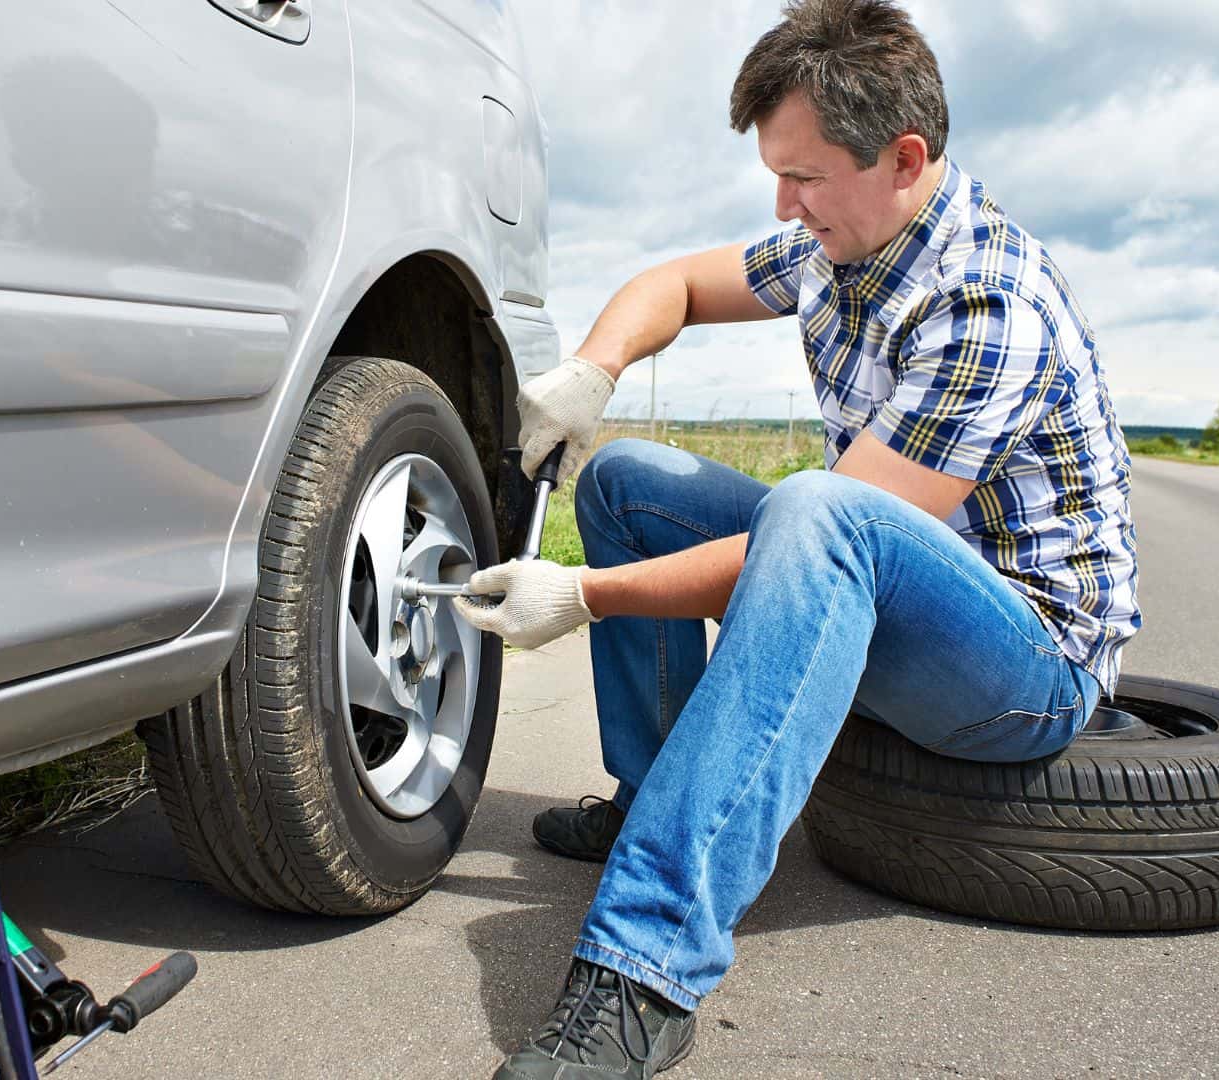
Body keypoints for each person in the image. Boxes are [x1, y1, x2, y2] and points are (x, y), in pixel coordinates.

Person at [455, 2, 1140, 1076]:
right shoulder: (837, 242)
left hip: (1023, 664)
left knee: (821, 509)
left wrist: (584, 597)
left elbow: (829, 531)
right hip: (887, 590)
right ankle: (656, 793)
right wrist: (595, 369)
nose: (783, 204)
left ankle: (644, 971)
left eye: (805, 178)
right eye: (777, 175)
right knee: (630, 478)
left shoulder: (987, 305)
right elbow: (673, 285)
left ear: (904, 158)